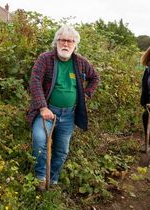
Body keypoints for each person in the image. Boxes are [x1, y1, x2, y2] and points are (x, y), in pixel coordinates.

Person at [27, 25, 100, 191]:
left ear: (75, 44)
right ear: (56, 41)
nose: (65, 44)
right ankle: (40, 177)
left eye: (69, 41)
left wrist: (87, 93)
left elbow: (95, 78)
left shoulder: (80, 62)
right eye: (62, 40)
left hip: (68, 115)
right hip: (47, 111)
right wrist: (43, 108)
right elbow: (35, 81)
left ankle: (52, 179)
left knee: (62, 150)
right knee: (39, 141)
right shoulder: (45, 59)